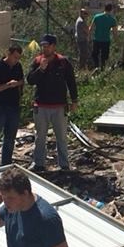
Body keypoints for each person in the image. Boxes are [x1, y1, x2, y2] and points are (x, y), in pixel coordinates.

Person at [26, 34, 78, 172]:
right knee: (40, 137)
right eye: (43, 46)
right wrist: (41, 69)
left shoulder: (63, 62)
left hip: (59, 106)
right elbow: (30, 80)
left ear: (54, 46)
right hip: (41, 106)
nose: (44, 48)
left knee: (61, 137)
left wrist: (74, 100)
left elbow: (71, 82)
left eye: (47, 46)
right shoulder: (37, 61)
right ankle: (39, 164)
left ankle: (64, 165)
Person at [90, 3, 118, 70]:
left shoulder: (97, 17)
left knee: (95, 55)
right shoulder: (112, 20)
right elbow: (115, 33)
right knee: (104, 56)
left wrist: (89, 37)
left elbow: (91, 28)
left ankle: (96, 67)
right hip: (106, 40)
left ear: (104, 8)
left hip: (97, 39)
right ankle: (102, 69)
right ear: (111, 10)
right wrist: (116, 43)